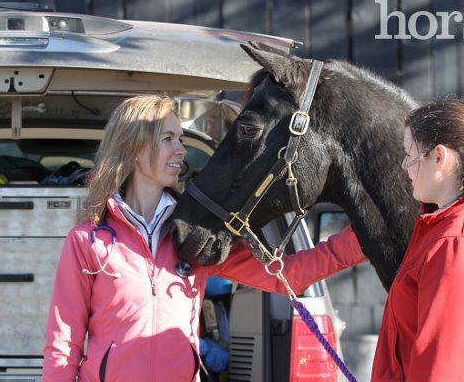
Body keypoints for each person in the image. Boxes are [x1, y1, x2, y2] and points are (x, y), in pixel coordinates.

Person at [42, 95, 365, 382]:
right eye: (168, 138)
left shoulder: (197, 235)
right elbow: (63, 343)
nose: (181, 150)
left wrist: (366, 234)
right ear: (135, 148)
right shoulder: (87, 241)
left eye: (180, 138)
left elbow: (287, 276)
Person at [371, 98, 464, 382]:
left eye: (409, 154)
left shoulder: (458, 242)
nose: (404, 165)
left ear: (439, 157)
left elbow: (443, 366)